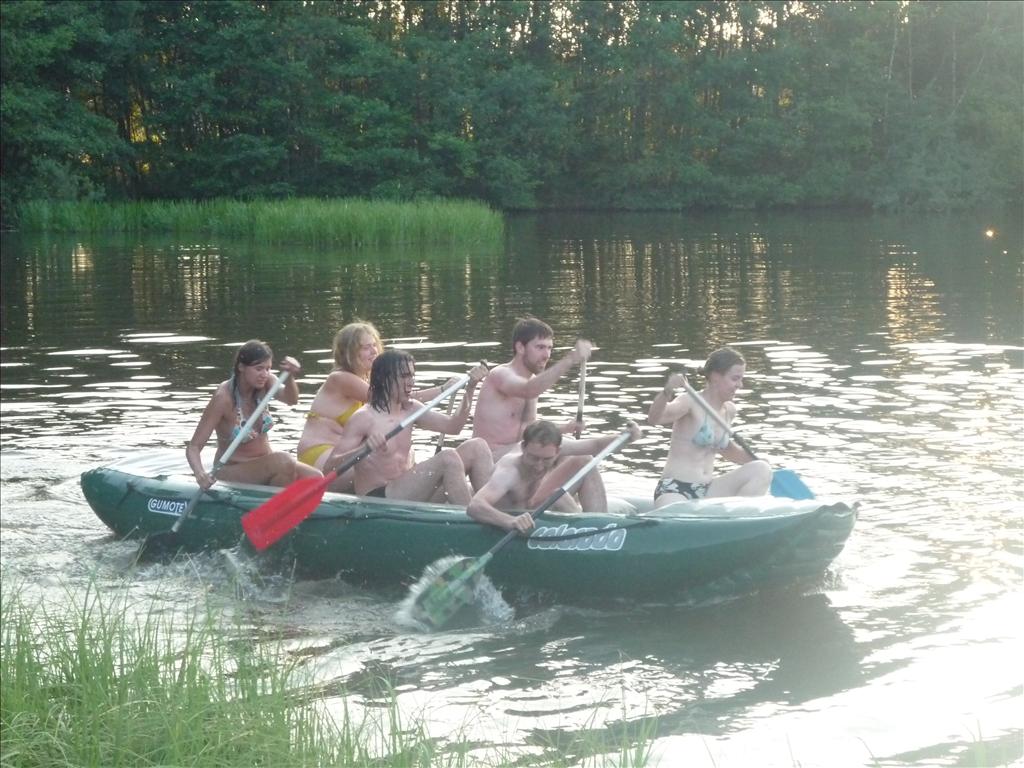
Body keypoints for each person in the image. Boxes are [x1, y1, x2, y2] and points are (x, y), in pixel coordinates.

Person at [297, 321, 457, 492]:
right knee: (379, 467)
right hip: (319, 456)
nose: (374, 351)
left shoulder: (367, 380)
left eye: (374, 345)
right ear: (349, 353)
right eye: (366, 347)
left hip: (342, 451)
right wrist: (442, 389)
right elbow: (396, 397)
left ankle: (418, 488)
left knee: (404, 455)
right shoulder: (341, 378)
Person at [326, 350, 492, 503]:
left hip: (410, 491)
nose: (411, 382)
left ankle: (492, 512)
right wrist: (364, 449)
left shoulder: (412, 409)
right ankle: (474, 519)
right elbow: (329, 467)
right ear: (385, 379)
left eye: (412, 376)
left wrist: (470, 389)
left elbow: (453, 427)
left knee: (477, 447)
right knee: (448, 458)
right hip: (379, 499)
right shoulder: (364, 418)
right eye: (405, 376)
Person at [186, 340, 323, 489]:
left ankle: (276, 499)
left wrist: (289, 376)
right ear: (241, 367)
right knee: (284, 462)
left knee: (316, 477)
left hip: (266, 465)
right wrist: (200, 474)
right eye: (259, 369)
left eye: (268, 368)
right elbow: (194, 447)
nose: (264, 374)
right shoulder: (223, 398)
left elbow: (291, 400)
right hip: (232, 470)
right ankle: (275, 500)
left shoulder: (267, 383)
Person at [646, 346, 771, 507]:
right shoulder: (689, 401)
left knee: (761, 469)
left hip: (708, 490)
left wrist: (758, 461)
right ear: (715, 377)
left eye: (741, 379)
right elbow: (655, 418)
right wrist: (667, 391)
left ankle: (739, 517)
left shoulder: (729, 410)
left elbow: (727, 450)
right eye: (735, 379)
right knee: (680, 513)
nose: (740, 385)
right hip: (675, 489)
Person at [467, 419, 642, 532]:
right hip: (513, 515)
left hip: (535, 505)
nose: (539, 466)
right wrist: (510, 521)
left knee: (585, 461)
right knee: (560, 496)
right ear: (523, 448)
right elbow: (475, 505)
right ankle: (586, 528)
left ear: (558, 451)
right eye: (533, 458)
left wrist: (626, 437)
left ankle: (600, 527)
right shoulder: (509, 471)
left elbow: (596, 445)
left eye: (546, 460)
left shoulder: (556, 448)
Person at [472, 316, 592, 459]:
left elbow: (529, 429)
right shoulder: (501, 375)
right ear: (520, 347)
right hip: (492, 458)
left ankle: (611, 442)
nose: (547, 355)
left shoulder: (533, 380)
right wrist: (571, 359)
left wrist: (566, 428)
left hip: (520, 452)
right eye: (540, 347)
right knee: (577, 450)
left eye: (549, 348)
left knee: (583, 457)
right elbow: (528, 390)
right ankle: (611, 441)